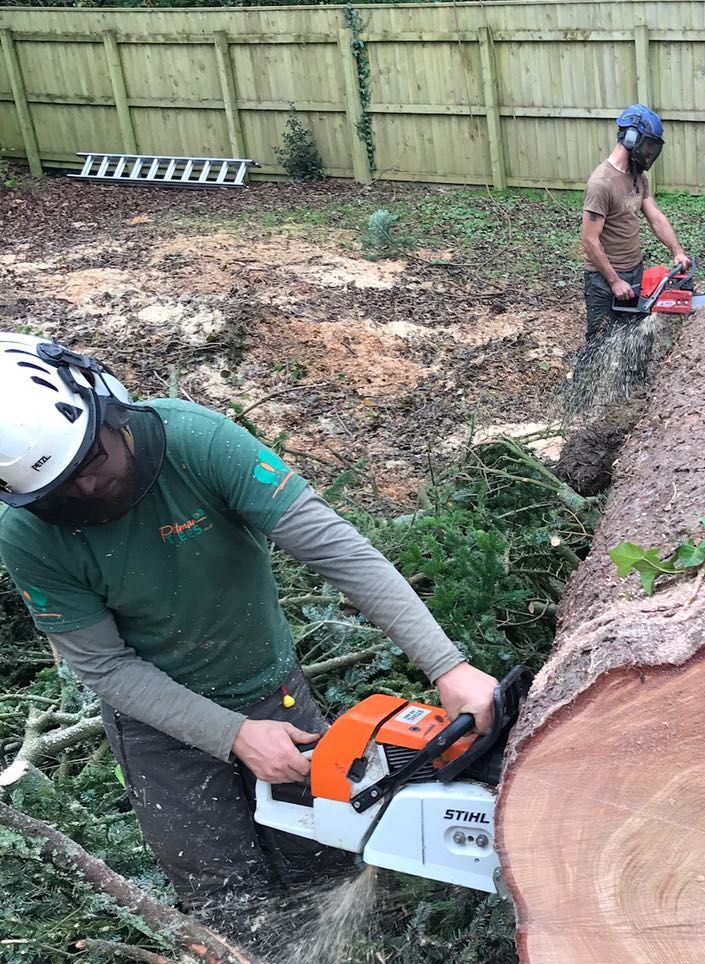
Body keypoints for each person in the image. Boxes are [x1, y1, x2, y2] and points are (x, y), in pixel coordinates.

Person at [0, 334, 499, 919]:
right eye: (59, 489)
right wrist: (231, 734)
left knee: (328, 853)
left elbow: (335, 548)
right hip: (157, 728)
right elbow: (103, 665)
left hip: (270, 684)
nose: (86, 488)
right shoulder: (28, 536)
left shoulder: (198, 443)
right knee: (226, 897)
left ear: (107, 408)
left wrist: (447, 665)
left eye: (91, 462)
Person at [578, 104, 690, 354]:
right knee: (600, 342)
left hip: (634, 272)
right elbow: (589, 240)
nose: (649, 154)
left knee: (635, 341)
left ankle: (634, 391)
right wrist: (614, 280)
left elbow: (655, 217)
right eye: (648, 146)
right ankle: (586, 388)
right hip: (603, 280)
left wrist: (677, 251)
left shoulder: (638, 177)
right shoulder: (601, 184)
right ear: (632, 139)